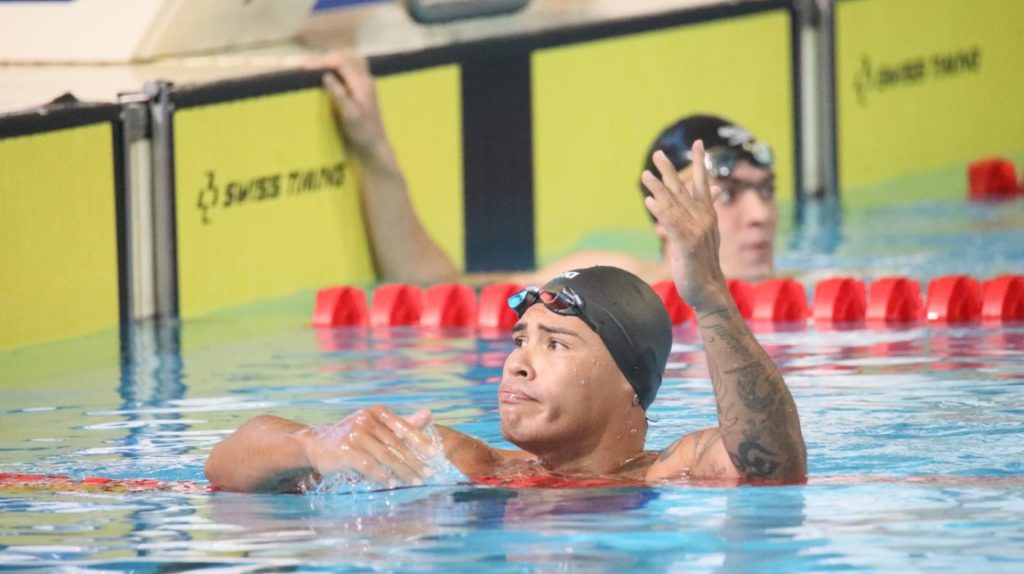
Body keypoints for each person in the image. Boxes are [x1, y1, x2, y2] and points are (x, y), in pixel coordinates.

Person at [204, 140, 807, 493]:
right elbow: (225, 461)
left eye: (557, 344)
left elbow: (773, 466)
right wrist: (315, 445)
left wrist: (708, 295)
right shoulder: (465, 465)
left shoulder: (673, 473)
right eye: (521, 340)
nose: (517, 362)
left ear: (631, 384)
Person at [304, 51, 779, 284]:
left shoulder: (816, 293)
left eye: (766, 190)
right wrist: (374, 152)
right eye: (731, 193)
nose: (761, 215)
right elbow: (435, 291)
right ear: (663, 212)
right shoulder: (611, 280)